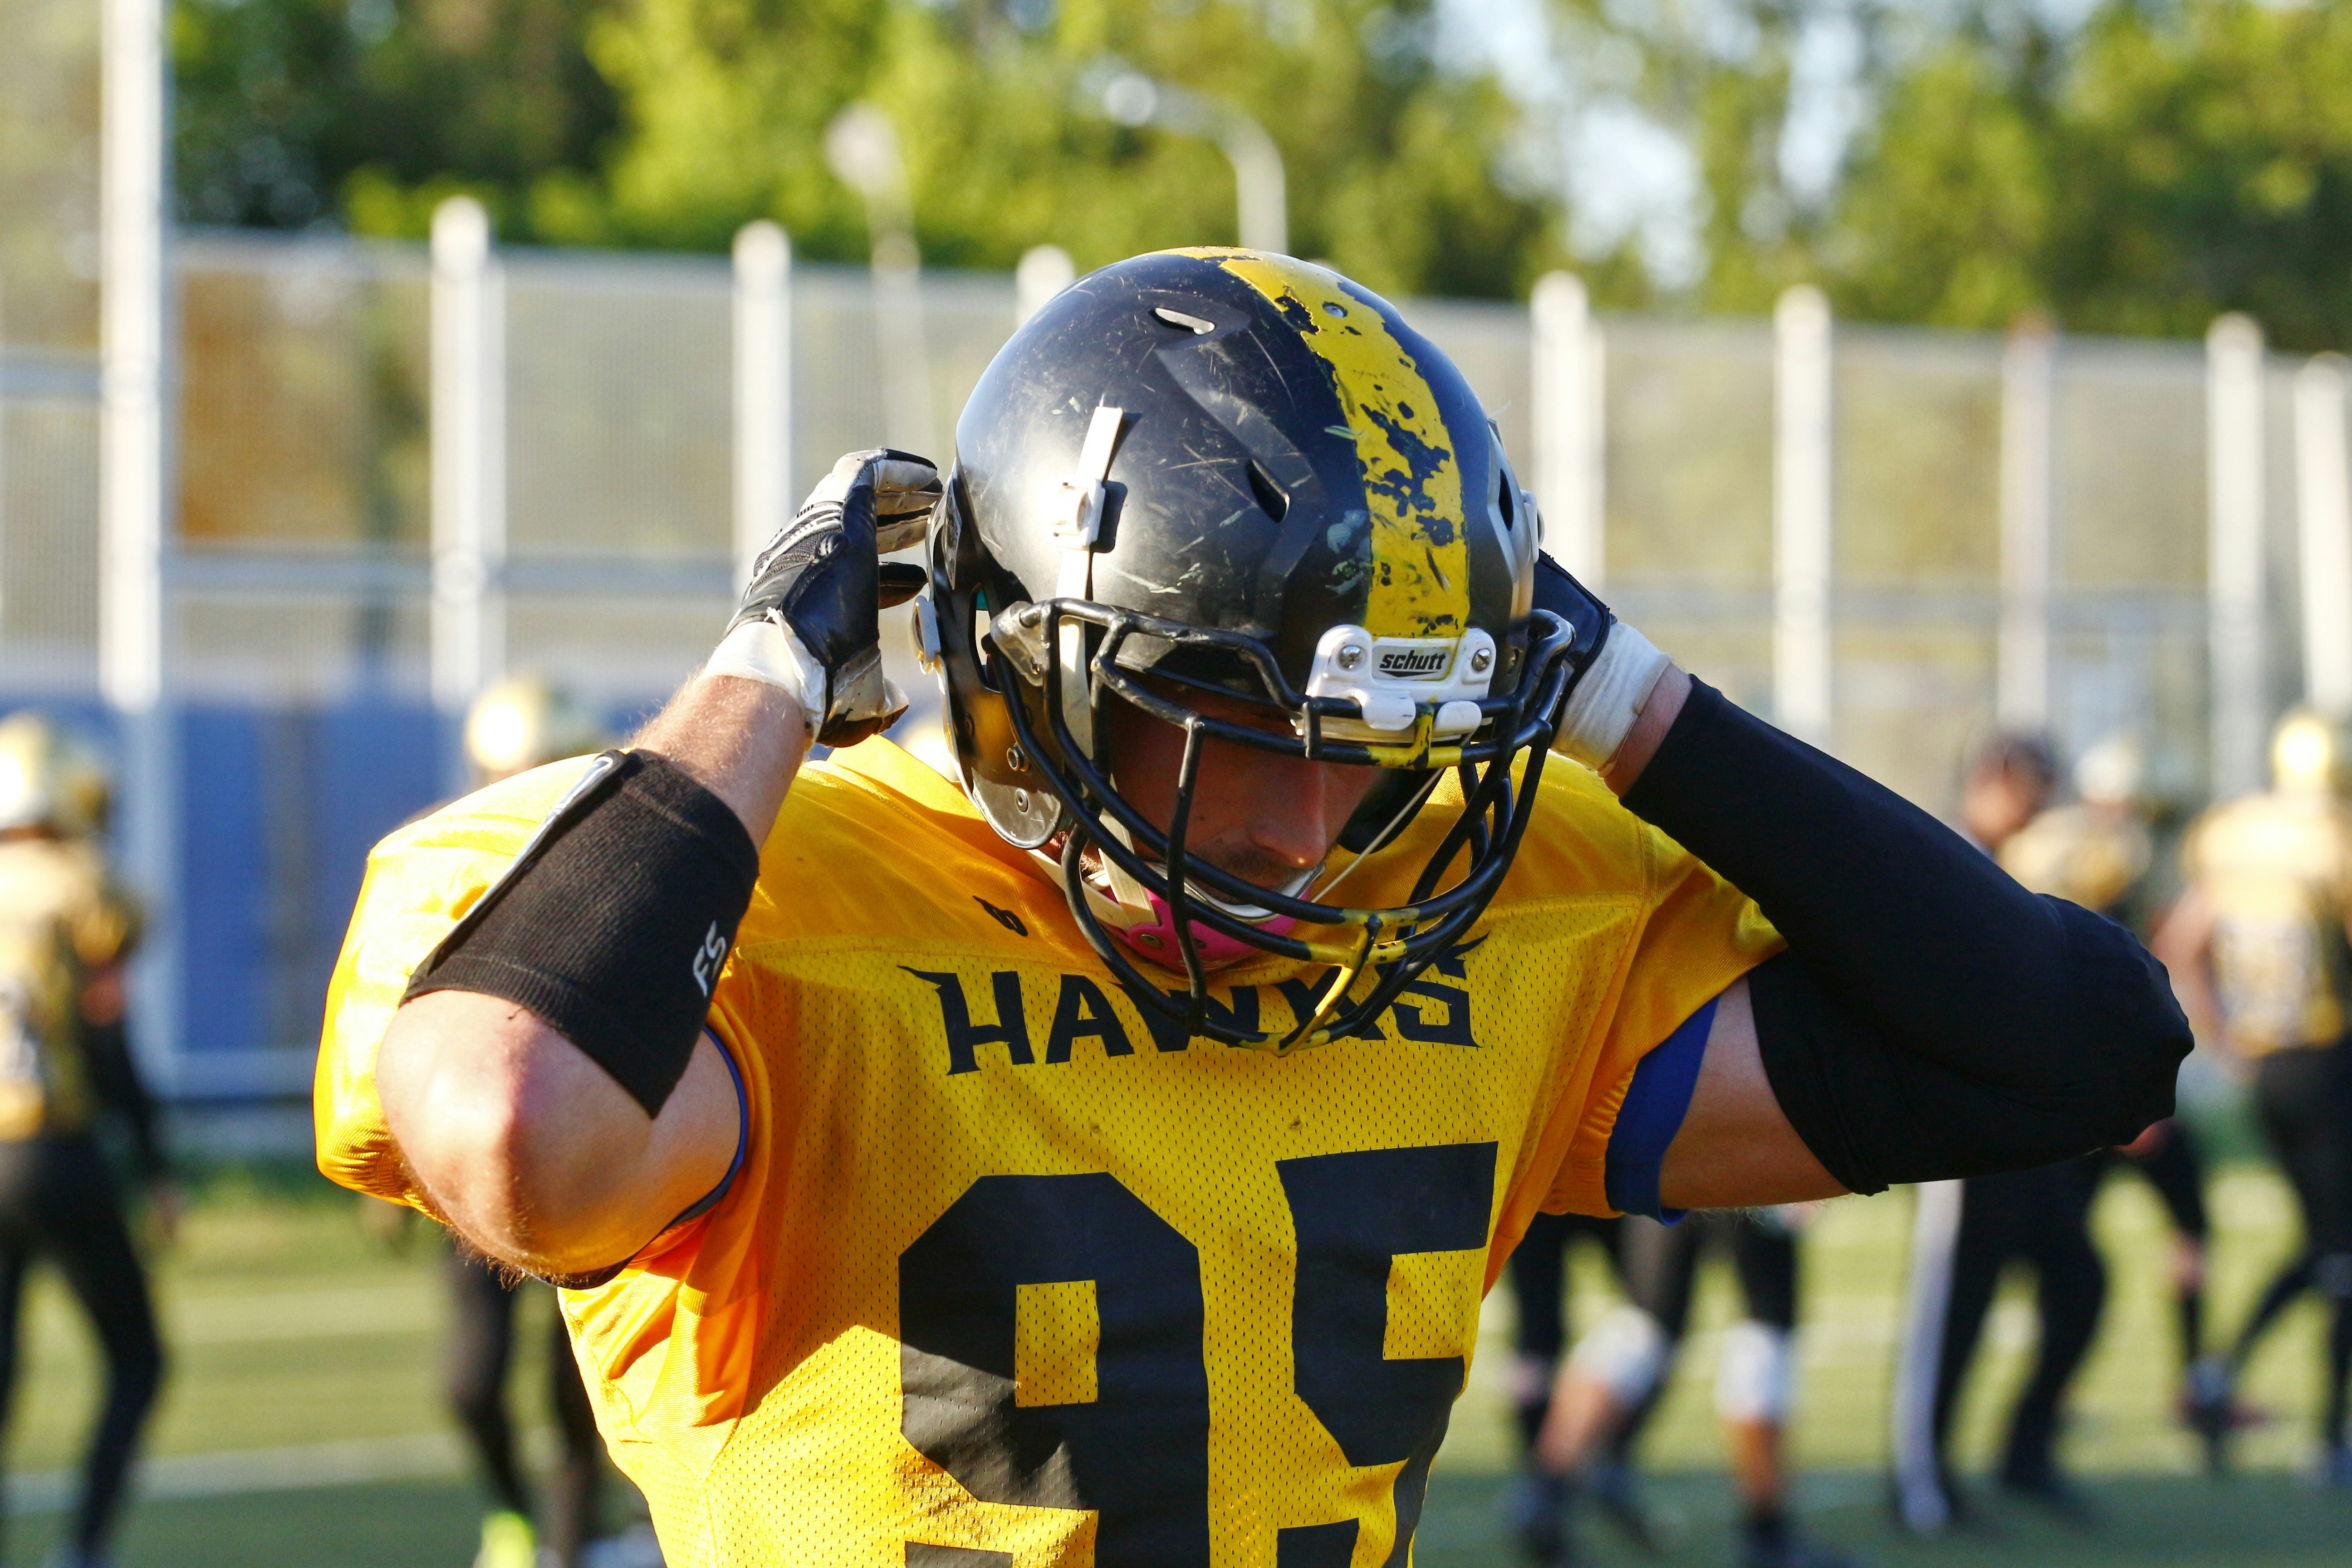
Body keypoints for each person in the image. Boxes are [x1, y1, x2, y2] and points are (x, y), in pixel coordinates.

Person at [312, 250, 2188, 1563]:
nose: (1305, 829)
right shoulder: (754, 900)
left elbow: (2086, 1053)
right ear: (1027, 664)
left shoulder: (1481, 913)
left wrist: (1639, 707)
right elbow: (521, 1135)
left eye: (1364, 737)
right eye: (1211, 721)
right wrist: (772, 672)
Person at [440, 676, 660, 1568]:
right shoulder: (456, 860)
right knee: (468, 1384)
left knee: (581, 1390)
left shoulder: (624, 866)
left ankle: (569, 1549)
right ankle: (512, 1516)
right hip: (484, 1151)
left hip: (592, 1148)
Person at [1891, 731, 2112, 1530]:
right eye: (2030, 789)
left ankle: (2025, 1451)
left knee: (2080, 1282)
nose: (2040, 807)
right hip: (1961, 1127)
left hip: (2029, 1124)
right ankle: (1918, 1481)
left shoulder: (2028, 861)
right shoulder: (1941, 856)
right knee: (1954, 1301)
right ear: (1991, 782)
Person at [2006, 734, 2226, 1464]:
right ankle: (2192, 1378)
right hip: (2114, 1092)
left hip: (2071, 1092)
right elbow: (2109, 981)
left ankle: (2065, 1403)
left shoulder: (2047, 851)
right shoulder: (2105, 862)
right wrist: (2128, 1096)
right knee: (2153, 1233)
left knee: (2075, 1249)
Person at [2154, 708, 2352, 1484]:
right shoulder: (2333, 835)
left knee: (2324, 1242)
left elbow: (2179, 942)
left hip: (2267, 1068)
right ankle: (2329, 1437)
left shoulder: (2232, 831)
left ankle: (2218, 1374)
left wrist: (2222, 1031)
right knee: (2339, 1254)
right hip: (2329, 1061)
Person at [0, 710, 171, 1568]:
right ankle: (83, 1548)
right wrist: (156, 1167)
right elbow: (107, 1039)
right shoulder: (81, 882)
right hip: (51, 1151)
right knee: (137, 1359)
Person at [1530, 1208, 1852, 1568]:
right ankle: (1768, 1531)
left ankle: (1546, 1493)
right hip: (1744, 1170)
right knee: (1765, 1328)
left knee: (1646, 1325)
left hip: (1669, 1165)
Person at [1498, 1210, 1635, 1563]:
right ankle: (1556, 1477)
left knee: (1537, 1340)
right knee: (1650, 1321)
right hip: (1594, 1177)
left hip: (1541, 1184)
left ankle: (1548, 1481)